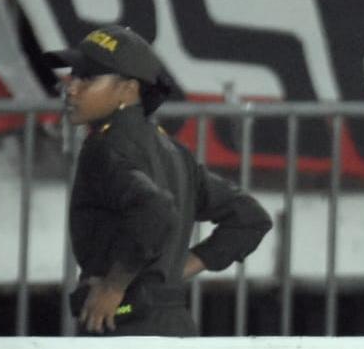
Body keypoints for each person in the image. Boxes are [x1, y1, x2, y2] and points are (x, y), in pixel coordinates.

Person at [48, 24, 271, 336]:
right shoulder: (174, 150)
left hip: (122, 326)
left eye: (88, 78)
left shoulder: (104, 147)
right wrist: (172, 273)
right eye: (74, 76)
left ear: (128, 89)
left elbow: (154, 209)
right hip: (174, 326)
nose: (71, 88)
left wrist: (114, 286)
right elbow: (249, 217)